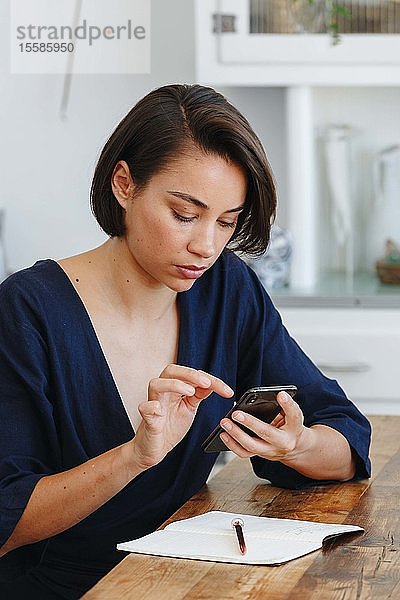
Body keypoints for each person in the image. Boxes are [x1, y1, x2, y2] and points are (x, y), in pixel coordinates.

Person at [0, 84, 371, 598]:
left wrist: (296, 445)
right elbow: (6, 521)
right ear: (124, 184)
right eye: (184, 214)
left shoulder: (226, 289)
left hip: (179, 578)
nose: (206, 246)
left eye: (226, 222)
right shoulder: (26, 310)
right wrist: (134, 456)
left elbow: (349, 439)